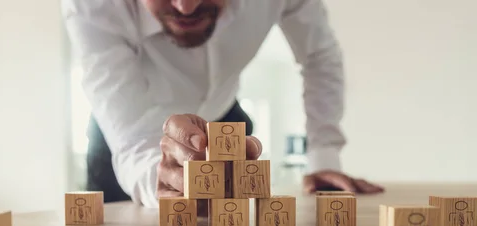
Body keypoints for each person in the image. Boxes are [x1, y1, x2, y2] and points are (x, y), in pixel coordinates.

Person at [62, 0, 384, 207]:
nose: (186, 7)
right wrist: (159, 179)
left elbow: (318, 56)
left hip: (225, 113)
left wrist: (324, 156)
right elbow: (133, 139)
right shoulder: (90, 6)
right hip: (127, 133)